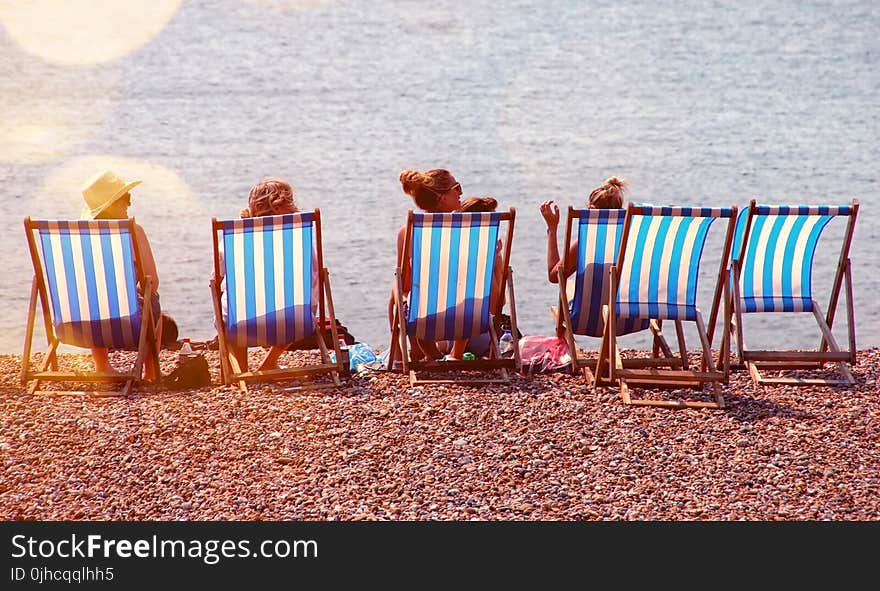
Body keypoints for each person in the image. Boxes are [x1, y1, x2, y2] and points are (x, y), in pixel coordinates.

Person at [391, 170, 504, 362]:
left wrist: (399, 292)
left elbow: (406, 284)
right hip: (470, 316)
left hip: (423, 317)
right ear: (440, 197)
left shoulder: (408, 231)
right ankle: (455, 354)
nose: (461, 193)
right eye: (456, 188)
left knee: (396, 288)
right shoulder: (468, 228)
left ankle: (403, 356)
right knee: (466, 287)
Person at [218, 177, 318, 373]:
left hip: (241, 322)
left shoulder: (237, 236)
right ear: (285, 203)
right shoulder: (298, 234)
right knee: (296, 298)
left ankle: (239, 371)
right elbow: (314, 272)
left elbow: (218, 275)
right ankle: (270, 360)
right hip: (295, 321)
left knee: (235, 299)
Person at [80, 170, 163, 380]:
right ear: (112, 203)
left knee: (93, 298)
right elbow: (152, 283)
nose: (129, 204)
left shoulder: (77, 236)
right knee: (153, 301)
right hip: (126, 324)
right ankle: (150, 373)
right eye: (126, 198)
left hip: (78, 322)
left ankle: (102, 365)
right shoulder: (134, 232)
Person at [539, 176, 629, 284]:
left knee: (569, 288)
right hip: (622, 300)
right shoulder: (628, 241)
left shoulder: (585, 244)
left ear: (591, 211)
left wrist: (552, 229)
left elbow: (555, 277)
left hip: (590, 301)